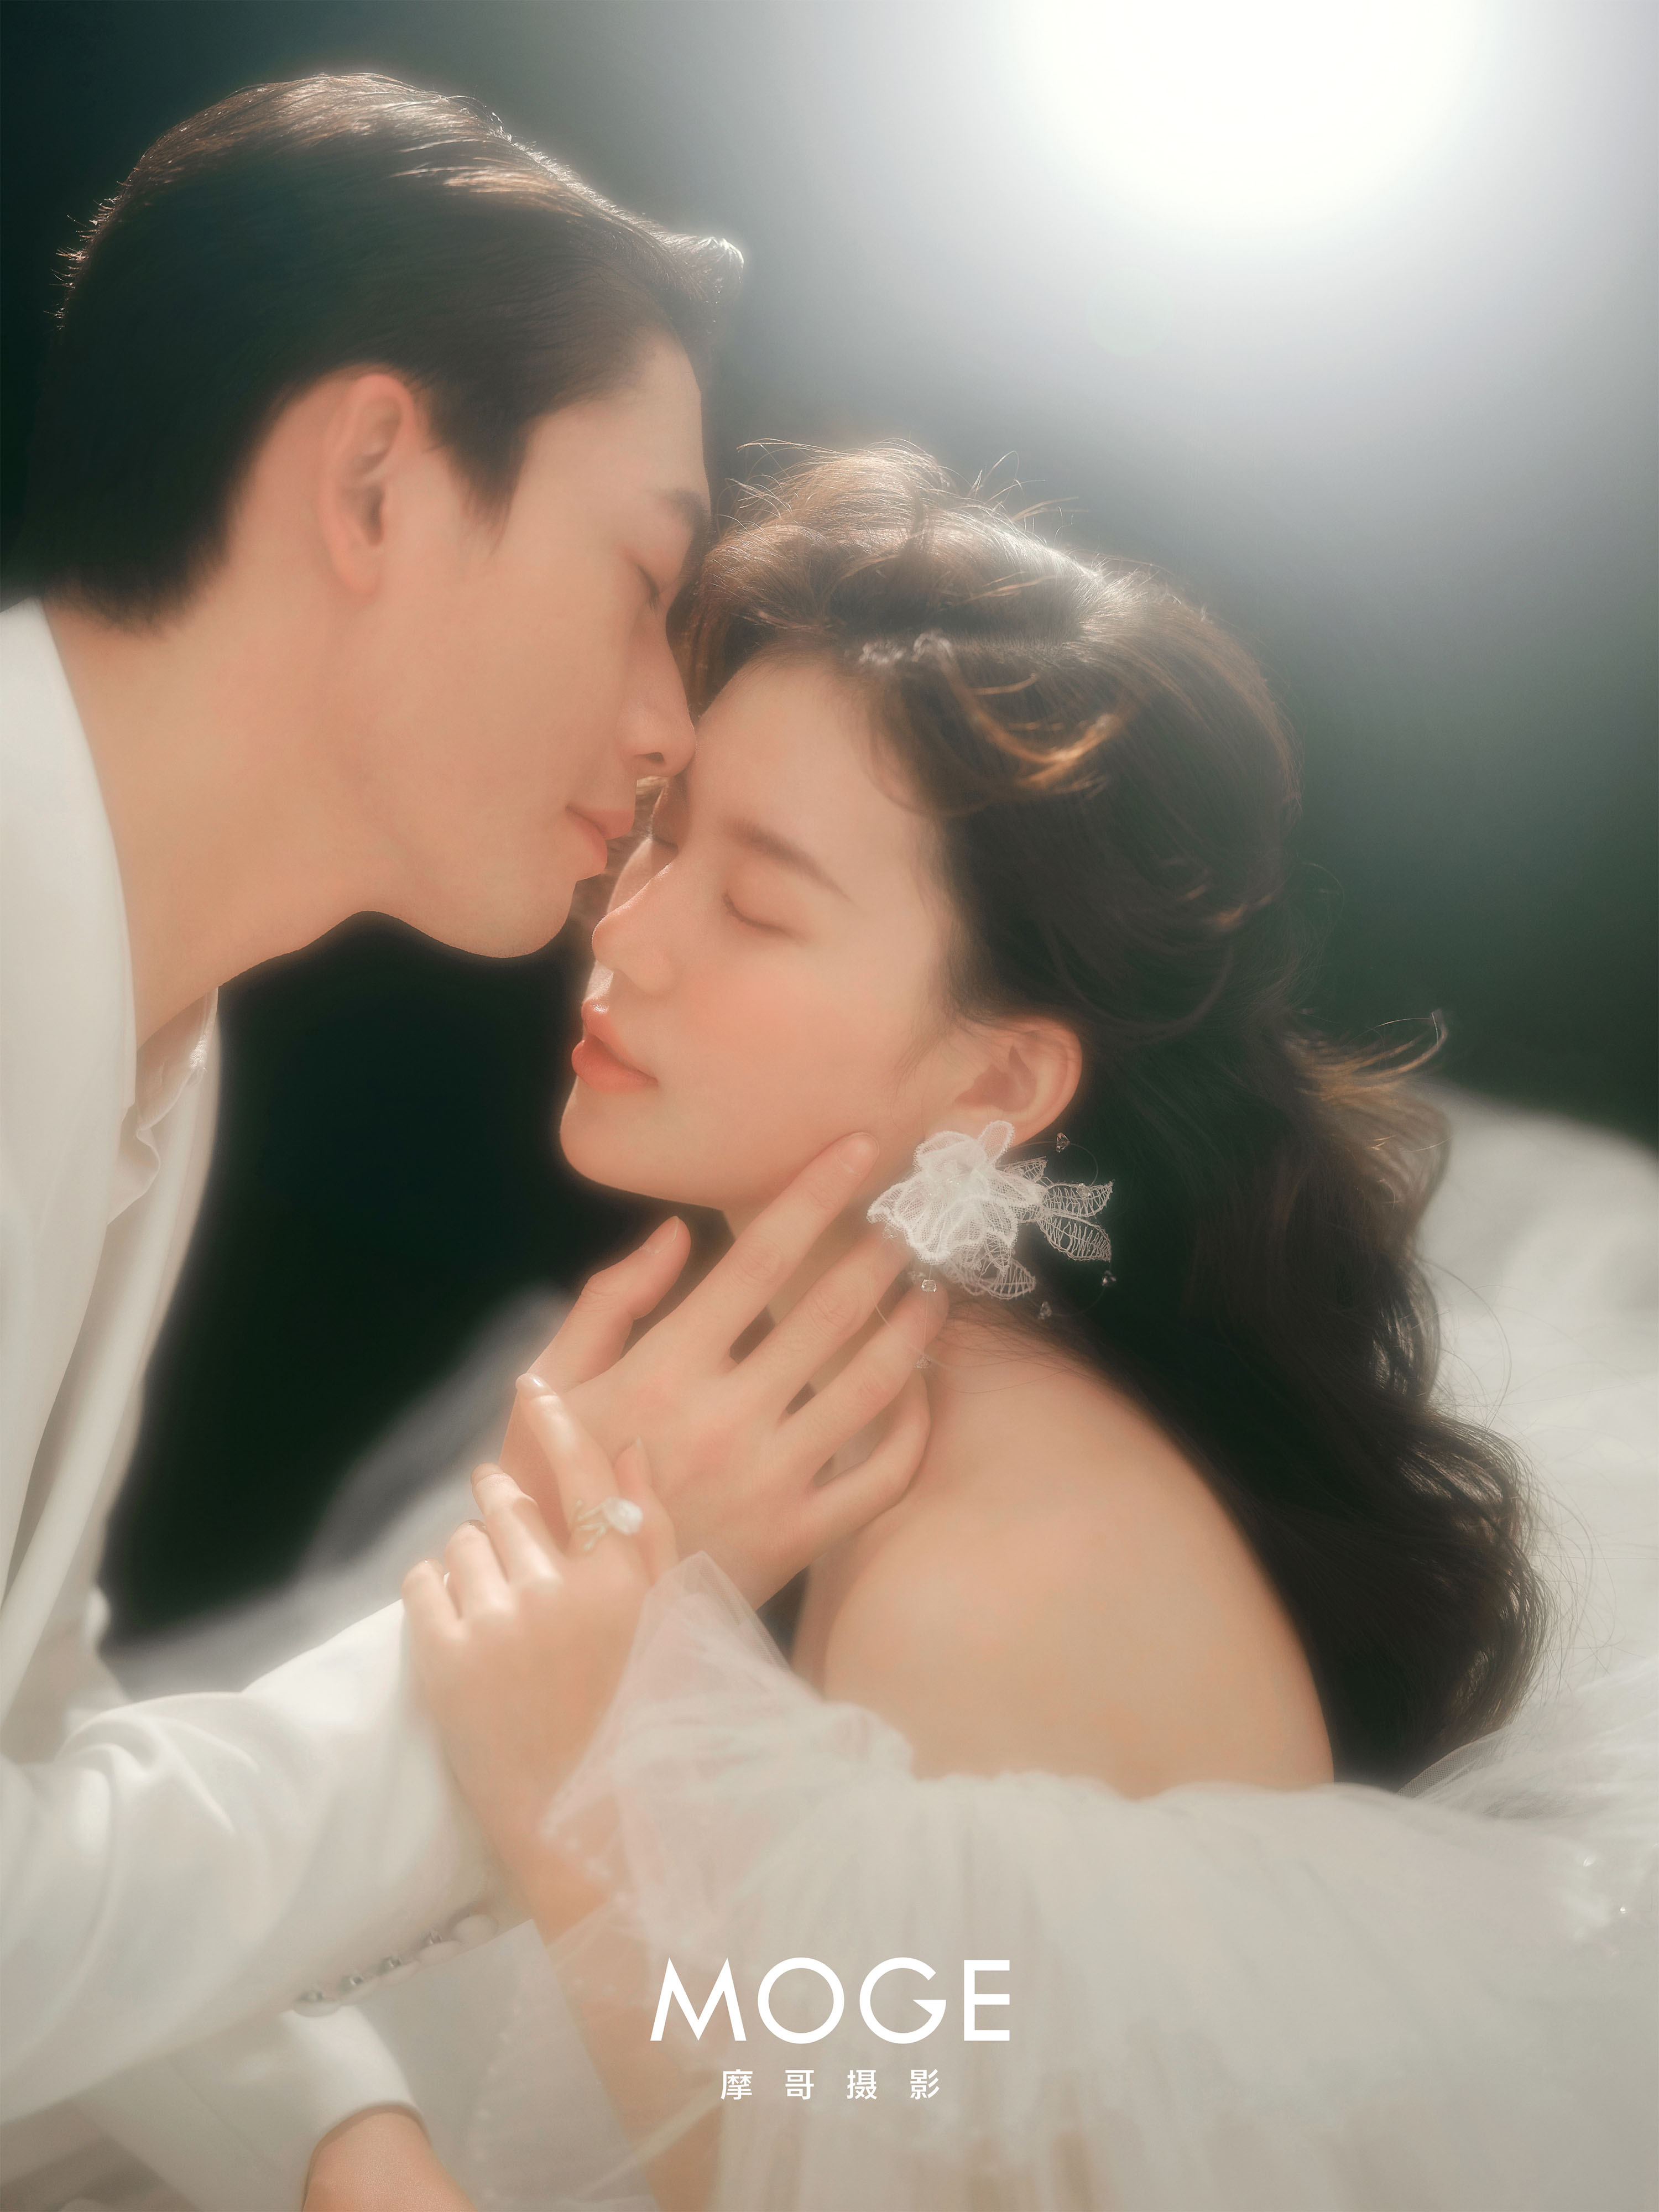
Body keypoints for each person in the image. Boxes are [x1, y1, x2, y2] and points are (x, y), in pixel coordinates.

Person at [398, 449, 1657, 2209]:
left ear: (998, 1083)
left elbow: (867, 2157)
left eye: (758, 902)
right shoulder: (889, 1406)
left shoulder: (986, 1587)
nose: (632, 932)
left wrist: (571, 1796)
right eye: (667, 832)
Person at [0, 82, 941, 2212]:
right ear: (373, 483)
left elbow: (29, 1741)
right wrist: (549, 1645)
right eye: (643, 579)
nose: (667, 728)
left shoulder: (154, 1019)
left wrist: (329, 2126)